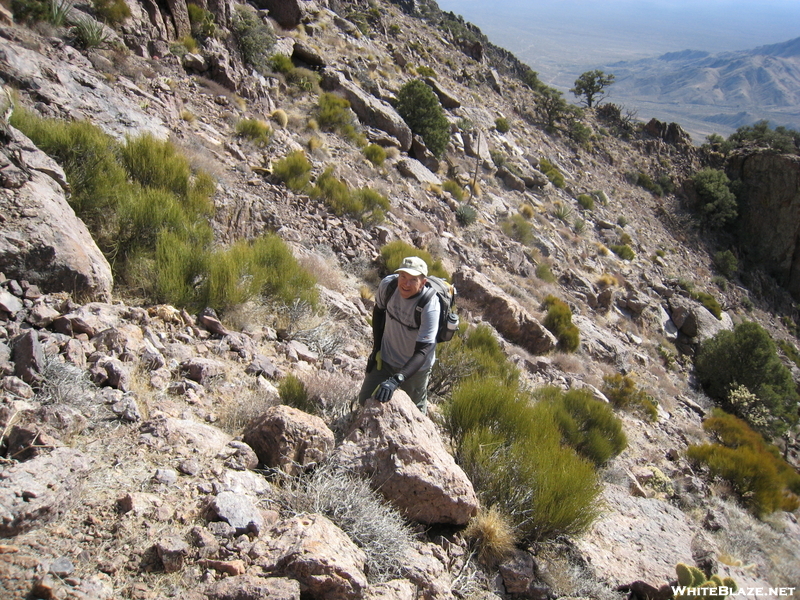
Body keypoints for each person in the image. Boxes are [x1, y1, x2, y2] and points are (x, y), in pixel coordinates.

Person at [358, 256, 440, 414]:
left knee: (414, 414)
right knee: (365, 401)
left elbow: (423, 351)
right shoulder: (388, 285)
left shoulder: (430, 306)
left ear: (423, 282)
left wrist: (397, 379)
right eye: (403, 276)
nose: (405, 284)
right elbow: (379, 313)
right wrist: (376, 349)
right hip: (387, 358)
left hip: (416, 368)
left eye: (413, 280)